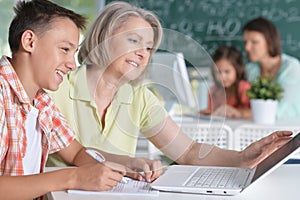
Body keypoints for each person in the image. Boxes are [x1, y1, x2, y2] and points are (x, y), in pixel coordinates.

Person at [48, 0, 291, 176]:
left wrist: (241, 157)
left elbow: (189, 152)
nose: (142, 54)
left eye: (148, 48)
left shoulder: (139, 97)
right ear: (104, 37)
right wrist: (129, 162)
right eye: (134, 41)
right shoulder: (57, 89)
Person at [0, 1, 163, 199]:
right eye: (65, 49)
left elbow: (76, 153)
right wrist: (73, 177)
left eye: (74, 53)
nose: (71, 64)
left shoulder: (42, 103)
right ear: (29, 42)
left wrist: (125, 167)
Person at [242, 17, 300, 121]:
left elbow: (279, 111)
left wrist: (239, 113)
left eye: (254, 42)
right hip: (258, 128)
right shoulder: (250, 69)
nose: (247, 48)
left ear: (269, 42)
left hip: (290, 128)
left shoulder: (292, 67)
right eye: (245, 42)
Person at [200, 46, 251, 119]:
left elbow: (255, 113)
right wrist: (208, 113)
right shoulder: (213, 91)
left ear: (237, 69)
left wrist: (238, 113)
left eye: (227, 72)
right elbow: (214, 115)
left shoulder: (244, 87)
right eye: (218, 72)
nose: (222, 77)